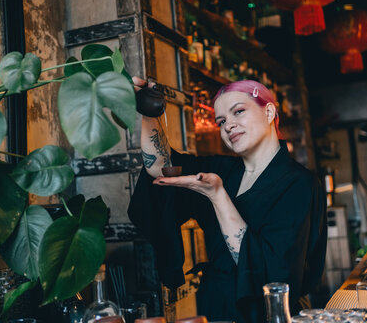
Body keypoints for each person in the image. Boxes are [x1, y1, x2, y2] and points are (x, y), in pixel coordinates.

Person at [128, 78, 327, 323]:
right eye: (221, 121)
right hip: (217, 308)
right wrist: (148, 110)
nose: (228, 126)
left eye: (239, 112)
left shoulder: (300, 184)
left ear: (269, 111)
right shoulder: (220, 169)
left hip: (270, 314)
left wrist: (217, 195)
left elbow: (275, 276)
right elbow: (160, 165)